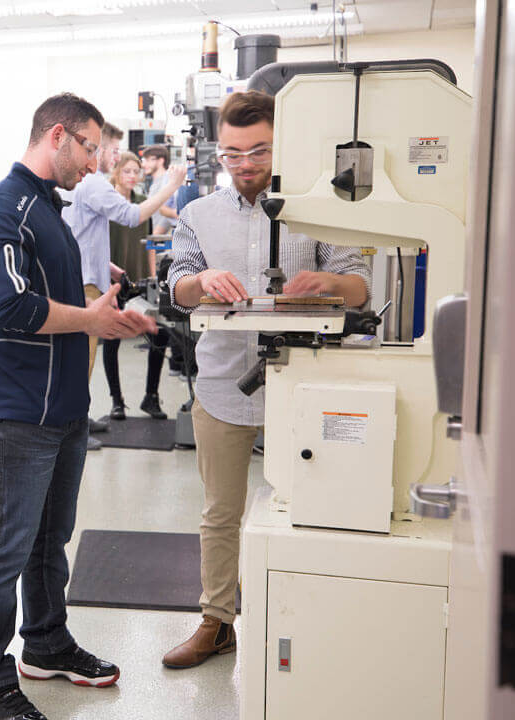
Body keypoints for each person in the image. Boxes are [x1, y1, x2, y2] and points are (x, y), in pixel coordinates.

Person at [0, 92, 157, 720]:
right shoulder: (1, 210)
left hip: (65, 406)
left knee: (51, 539)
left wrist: (106, 307)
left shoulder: (51, 210)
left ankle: (46, 643)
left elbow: (65, 304)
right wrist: (91, 318)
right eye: (91, 148)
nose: (96, 163)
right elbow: (12, 307)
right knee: (7, 546)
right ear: (57, 136)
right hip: (19, 409)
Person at [160, 91, 370, 669]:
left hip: (306, 386)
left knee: (311, 505)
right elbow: (176, 287)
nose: (245, 164)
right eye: (232, 154)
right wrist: (202, 282)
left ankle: (308, 619)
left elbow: (360, 285)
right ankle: (216, 621)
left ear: (283, 145)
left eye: (258, 151)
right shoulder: (199, 215)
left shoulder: (320, 206)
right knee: (220, 512)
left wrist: (324, 284)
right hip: (225, 383)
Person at [62, 122, 183, 450]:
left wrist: (111, 269)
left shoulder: (81, 184)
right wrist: (172, 184)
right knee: (82, 360)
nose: (116, 157)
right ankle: (73, 431)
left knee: (81, 360)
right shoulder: (94, 184)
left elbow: (84, 237)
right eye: (113, 150)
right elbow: (132, 216)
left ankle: (79, 418)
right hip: (86, 287)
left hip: (90, 278)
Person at [101, 152, 174, 421]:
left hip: (141, 277)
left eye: (136, 172)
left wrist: (153, 277)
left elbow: (151, 241)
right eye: (127, 171)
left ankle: (151, 397)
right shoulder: (106, 200)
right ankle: (116, 400)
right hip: (112, 280)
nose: (132, 176)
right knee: (112, 339)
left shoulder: (144, 202)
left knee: (159, 334)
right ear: (117, 171)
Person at [142, 145, 179, 240]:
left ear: (161, 161)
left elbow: (167, 212)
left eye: (148, 160)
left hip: (158, 238)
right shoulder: (155, 183)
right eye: (144, 160)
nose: (144, 165)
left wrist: (155, 235)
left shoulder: (167, 180)